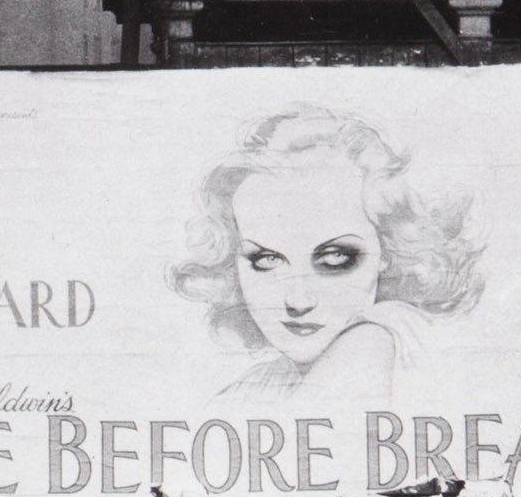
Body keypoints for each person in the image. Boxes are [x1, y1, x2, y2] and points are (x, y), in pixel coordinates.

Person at [170, 105, 482, 405]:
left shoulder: (376, 339)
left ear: (387, 250)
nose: (298, 300)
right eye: (267, 260)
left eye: (335, 259)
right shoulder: (251, 390)